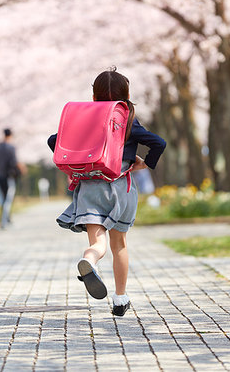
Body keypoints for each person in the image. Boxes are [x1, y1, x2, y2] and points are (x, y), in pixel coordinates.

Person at [47, 68, 166, 316]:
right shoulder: (126, 118)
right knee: (119, 244)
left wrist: (75, 164)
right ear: (127, 94)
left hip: (91, 187)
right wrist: (144, 162)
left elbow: (53, 141)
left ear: (94, 95)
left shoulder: (84, 117)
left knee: (97, 242)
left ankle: (89, 261)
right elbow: (158, 142)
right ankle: (120, 298)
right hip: (120, 186)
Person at [0, 128, 20, 229]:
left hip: (0, 175)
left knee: (3, 198)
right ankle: (4, 221)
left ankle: (6, 218)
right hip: (9, 176)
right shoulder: (11, 147)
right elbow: (13, 162)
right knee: (8, 199)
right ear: (11, 135)